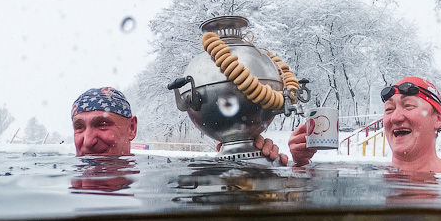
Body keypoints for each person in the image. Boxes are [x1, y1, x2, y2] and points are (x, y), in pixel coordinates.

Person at [288, 76, 441, 172]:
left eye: (409, 105)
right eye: (389, 109)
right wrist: (301, 165)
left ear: (438, 119)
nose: (396, 118)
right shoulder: (366, 173)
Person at [72, 87, 287, 164]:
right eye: (79, 127)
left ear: (131, 128)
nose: (88, 141)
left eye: (102, 124)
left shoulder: (155, 176)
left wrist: (251, 162)